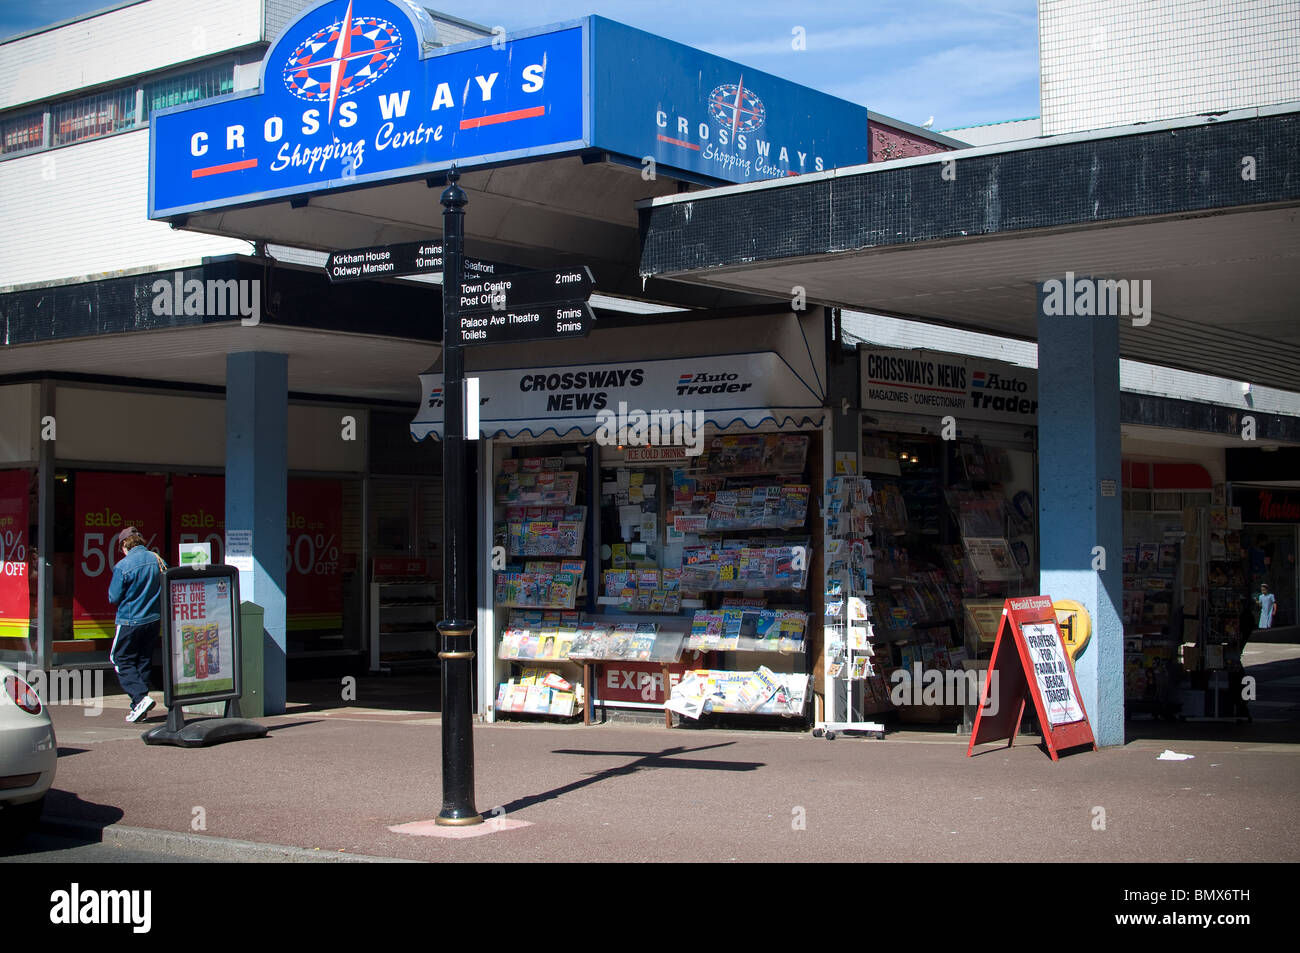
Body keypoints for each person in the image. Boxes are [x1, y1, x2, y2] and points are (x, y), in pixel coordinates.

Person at [107, 526, 165, 723]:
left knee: (119, 658)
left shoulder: (123, 566)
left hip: (130, 620)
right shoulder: (157, 559)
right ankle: (139, 706)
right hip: (154, 619)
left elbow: (113, 596)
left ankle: (140, 698)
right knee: (143, 660)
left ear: (125, 544)